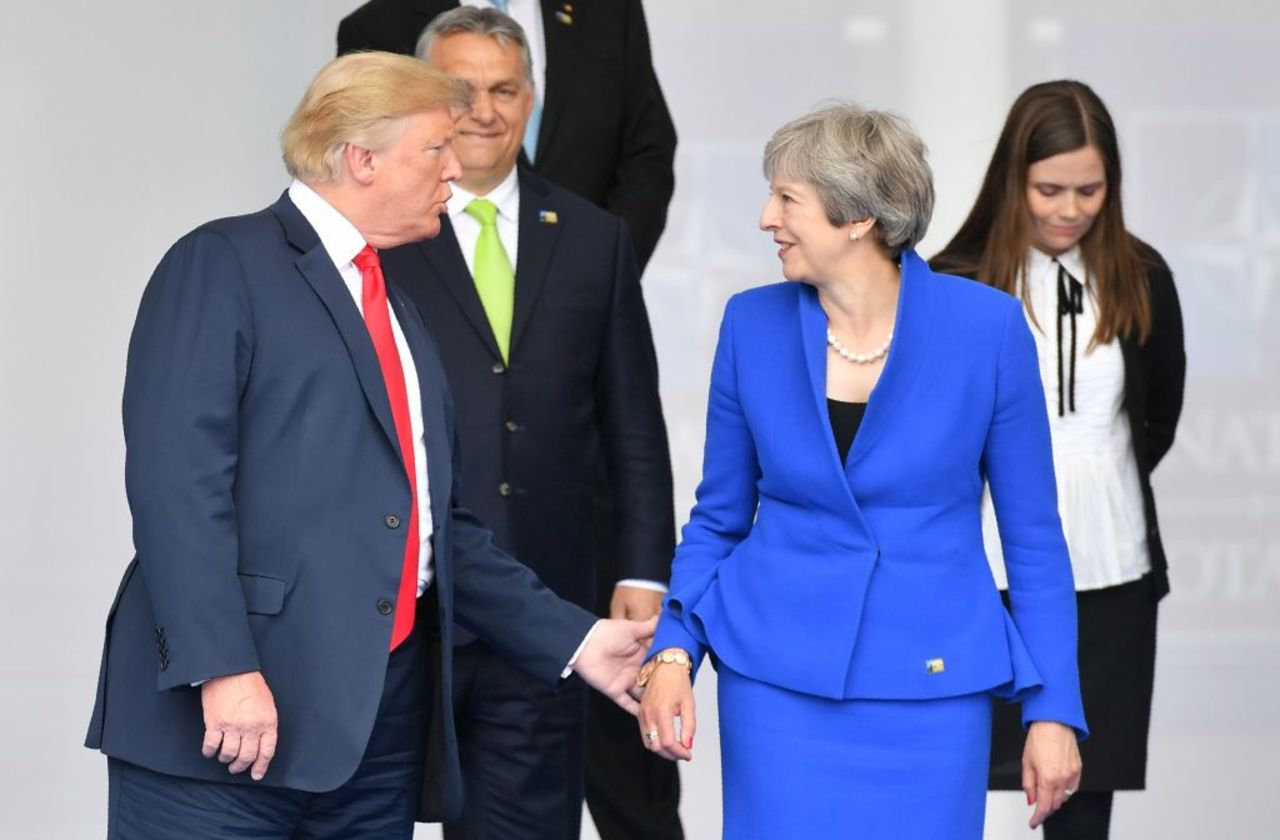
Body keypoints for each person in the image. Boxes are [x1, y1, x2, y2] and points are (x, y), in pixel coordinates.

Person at [83, 51, 659, 840]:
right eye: (435, 150)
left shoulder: (396, 307)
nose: (455, 170)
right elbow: (175, 488)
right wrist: (223, 668)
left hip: (372, 744)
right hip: (225, 731)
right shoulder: (220, 264)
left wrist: (579, 639)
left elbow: (434, 526)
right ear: (361, 159)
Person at [636, 102, 1087, 838]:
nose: (765, 217)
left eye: (787, 199)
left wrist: (1054, 710)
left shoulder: (988, 330)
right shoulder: (751, 324)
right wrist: (673, 653)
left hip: (933, 690)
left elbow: (1034, 539)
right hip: (774, 683)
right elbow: (718, 519)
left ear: (858, 219)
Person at [339, 4, 685, 836]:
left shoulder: (595, 238)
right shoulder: (372, 236)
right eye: (461, 91)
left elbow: (633, 422)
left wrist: (644, 568)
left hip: (546, 607)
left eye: (505, 89)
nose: (484, 110)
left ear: (533, 98)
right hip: (400, 606)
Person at [931, 80, 1186, 839]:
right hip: (975, 574)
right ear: (1014, 179)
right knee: (949, 788)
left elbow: (1157, 419)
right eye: (1049, 189)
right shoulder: (955, 279)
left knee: (1082, 805)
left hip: (1110, 576)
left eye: (1090, 190)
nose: (1069, 209)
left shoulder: (1144, 276)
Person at [336, 0, 677, 271]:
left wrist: (602, 270)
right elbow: (370, 171)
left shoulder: (608, 10)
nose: (484, 113)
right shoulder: (379, 25)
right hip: (435, 303)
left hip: (580, 311)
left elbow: (648, 151)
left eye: (502, 92)